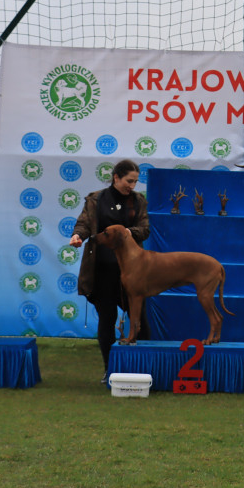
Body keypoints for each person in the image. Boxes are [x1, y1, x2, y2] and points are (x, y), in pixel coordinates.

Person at [69, 159, 150, 379]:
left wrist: (125, 232)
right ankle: (110, 368)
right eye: (128, 181)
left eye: (135, 182)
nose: (131, 186)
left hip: (132, 272)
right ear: (116, 177)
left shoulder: (139, 201)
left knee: (140, 320)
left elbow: (144, 229)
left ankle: (144, 369)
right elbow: (84, 224)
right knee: (107, 319)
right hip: (103, 270)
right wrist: (78, 236)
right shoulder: (96, 199)